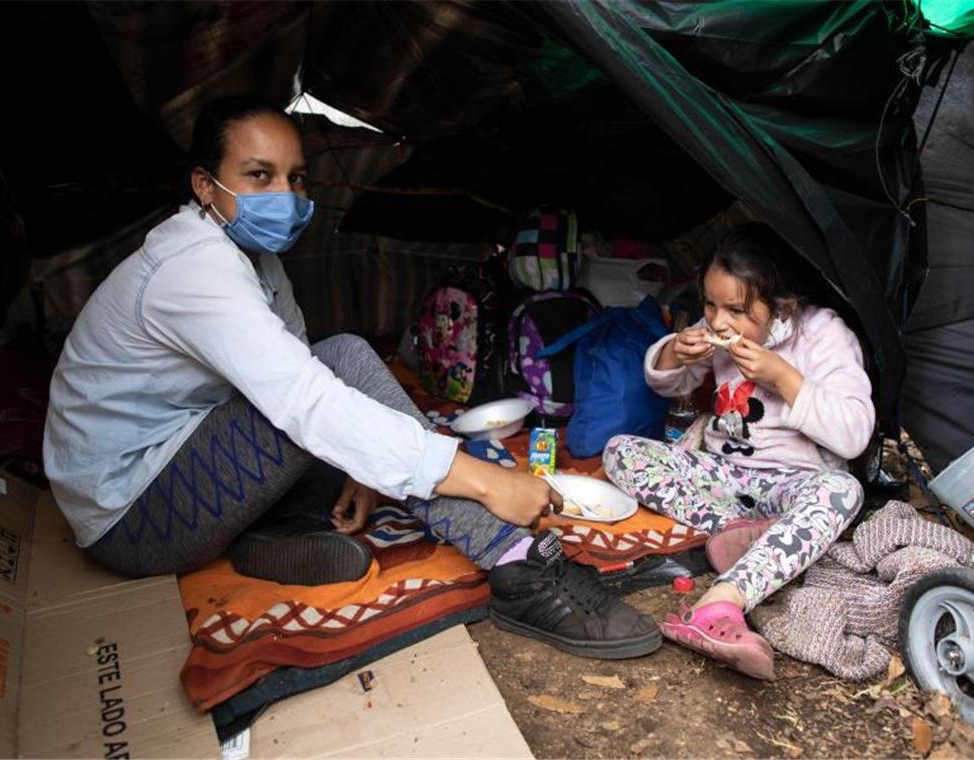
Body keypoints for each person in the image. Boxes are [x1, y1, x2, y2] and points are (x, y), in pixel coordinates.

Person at [42, 94, 660, 660]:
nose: (284, 194)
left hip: (189, 458)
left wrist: (358, 464)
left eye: (296, 177)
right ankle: (516, 560)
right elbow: (306, 395)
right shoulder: (192, 268)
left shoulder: (251, 260)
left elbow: (300, 379)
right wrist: (481, 479)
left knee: (345, 387)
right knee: (339, 368)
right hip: (131, 514)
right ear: (206, 185)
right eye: (259, 175)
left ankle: (268, 532)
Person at [602, 223, 875, 679]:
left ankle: (722, 601)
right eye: (710, 303)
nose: (719, 320)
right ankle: (740, 531)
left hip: (795, 481)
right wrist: (676, 350)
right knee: (620, 451)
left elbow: (854, 434)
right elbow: (669, 383)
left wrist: (784, 377)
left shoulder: (824, 335)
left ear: (782, 303)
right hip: (724, 478)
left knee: (843, 491)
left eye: (736, 309)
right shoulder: (716, 329)